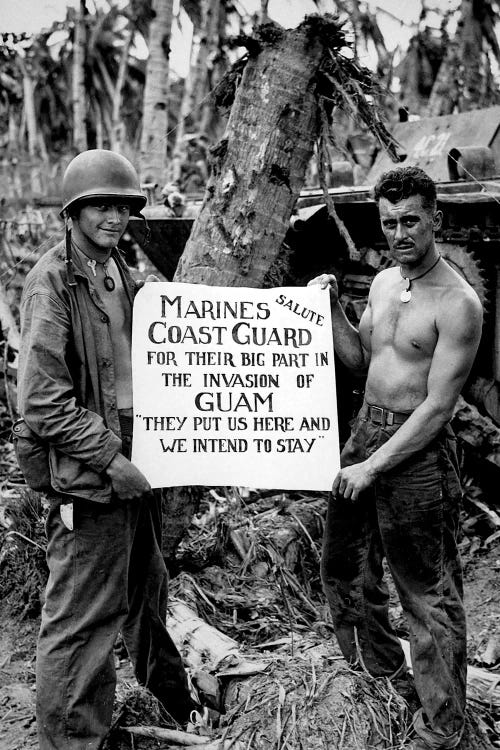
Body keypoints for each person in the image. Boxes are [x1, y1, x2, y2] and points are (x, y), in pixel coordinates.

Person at [17, 149, 198, 750]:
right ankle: (73, 741)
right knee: (81, 621)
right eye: (99, 205)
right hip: (91, 475)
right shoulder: (51, 282)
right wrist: (112, 460)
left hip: (137, 457)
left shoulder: (118, 267)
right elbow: (42, 401)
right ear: (72, 212)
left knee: (147, 594)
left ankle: (170, 710)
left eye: (122, 206)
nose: (113, 216)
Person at [309, 166, 483, 750]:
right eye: (389, 222)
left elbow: (437, 408)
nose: (400, 232)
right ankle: (382, 680)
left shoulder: (458, 303)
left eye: (411, 220)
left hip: (417, 453)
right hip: (365, 434)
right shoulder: (383, 283)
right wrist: (329, 308)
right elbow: (360, 361)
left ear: (435, 217)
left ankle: (441, 729)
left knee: (426, 593)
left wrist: (373, 465)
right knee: (345, 568)